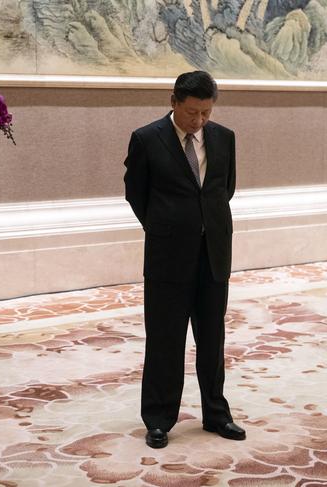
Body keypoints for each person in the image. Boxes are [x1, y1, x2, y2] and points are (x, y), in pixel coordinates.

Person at [123, 71, 246, 448]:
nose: (200, 121)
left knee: (213, 340)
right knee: (165, 340)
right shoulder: (147, 139)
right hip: (167, 258)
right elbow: (136, 194)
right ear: (174, 102)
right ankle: (158, 418)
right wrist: (167, 226)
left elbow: (224, 190)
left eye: (206, 112)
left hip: (213, 256)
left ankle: (216, 414)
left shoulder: (224, 138)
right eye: (193, 112)